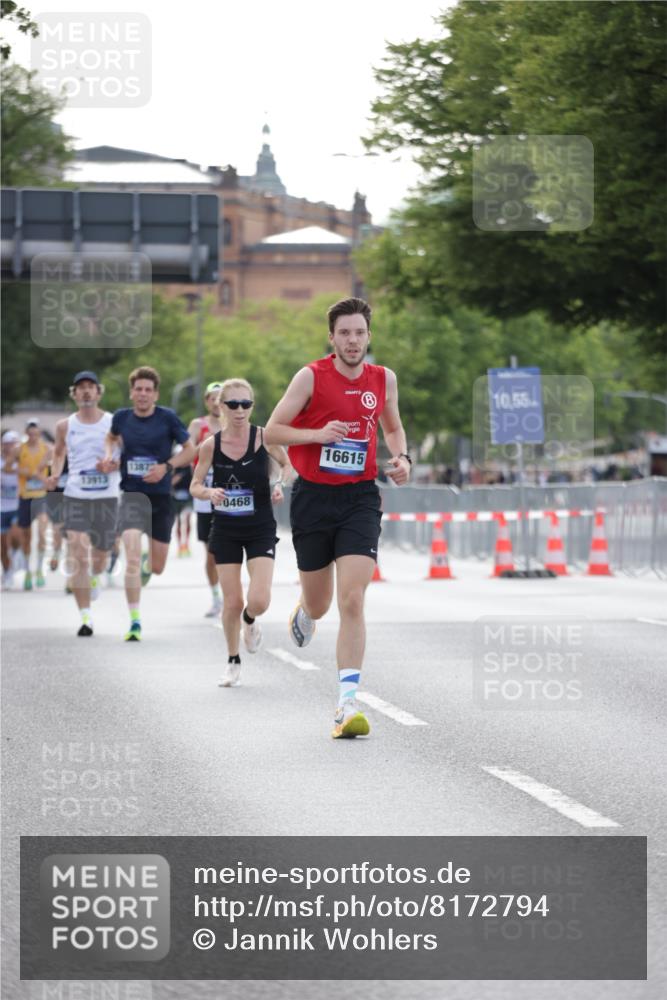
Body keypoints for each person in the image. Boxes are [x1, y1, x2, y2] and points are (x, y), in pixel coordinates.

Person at [265, 297, 411, 739]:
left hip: (359, 498)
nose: (352, 340)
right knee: (321, 604)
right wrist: (317, 434)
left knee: (352, 599)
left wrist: (402, 458)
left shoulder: (383, 379)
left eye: (359, 333)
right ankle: (306, 609)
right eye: (344, 333)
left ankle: (346, 705)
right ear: (332, 337)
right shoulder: (311, 376)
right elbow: (272, 432)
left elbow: (392, 428)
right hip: (313, 497)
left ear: (369, 336)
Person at [191, 378, 290, 687]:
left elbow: (288, 466)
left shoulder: (264, 437)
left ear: (252, 406)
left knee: (259, 600)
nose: (239, 410)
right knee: (232, 601)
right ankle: (233, 661)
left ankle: (250, 620)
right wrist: (209, 493)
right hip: (226, 529)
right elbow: (194, 485)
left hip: (260, 527)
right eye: (232, 404)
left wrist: (278, 484)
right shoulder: (211, 445)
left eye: (245, 404)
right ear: (221, 406)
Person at [100, 366, 195, 641]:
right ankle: (135, 621)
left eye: (148, 390)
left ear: (155, 394)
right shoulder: (121, 417)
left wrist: (166, 467)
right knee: (130, 555)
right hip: (132, 495)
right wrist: (109, 454)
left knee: (157, 567)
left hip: (161, 498)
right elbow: (111, 437)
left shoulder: (167, 418)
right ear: (132, 393)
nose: (143, 394)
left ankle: (147, 562)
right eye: (138, 389)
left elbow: (191, 450)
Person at [46, 371, 121, 636]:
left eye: (91, 387)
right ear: (74, 394)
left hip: (106, 497)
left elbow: (124, 455)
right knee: (78, 554)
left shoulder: (113, 422)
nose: (86, 391)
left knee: (100, 558)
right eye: (81, 387)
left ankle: (96, 577)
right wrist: (54, 474)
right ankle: (86, 618)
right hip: (75, 495)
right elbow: (58, 453)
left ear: (98, 392)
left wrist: (113, 464)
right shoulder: (64, 425)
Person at [188, 383, 224, 617]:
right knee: (211, 553)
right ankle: (216, 597)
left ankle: (232, 595)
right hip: (204, 496)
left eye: (221, 398)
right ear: (206, 401)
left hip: (230, 494)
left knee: (230, 550)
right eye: (213, 398)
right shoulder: (197, 425)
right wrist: (205, 446)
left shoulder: (235, 424)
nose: (217, 402)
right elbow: (186, 453)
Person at [17, 419, 52, 591]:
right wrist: (21, 470)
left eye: (36, 434)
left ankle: (39, 569)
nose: (33, 437)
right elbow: (8, 465)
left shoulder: (46, 449)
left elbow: (57, 459)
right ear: (26, 433)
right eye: (30, 434)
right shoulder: (19, 449)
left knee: (42, 531)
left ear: (39, 434)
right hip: (25, 496)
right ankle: (27, 572)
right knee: (26, 537)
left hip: (41, 495)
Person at [1, 430, 21, 589]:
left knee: (15, 536)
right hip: (2, 508)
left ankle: (15, 556)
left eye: (13, 444)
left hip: (17, 506)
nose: (11, 447)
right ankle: (7, 572)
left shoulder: (22, 462)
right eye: (8, 444)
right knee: (2, 546)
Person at [171, 460, 193, 557]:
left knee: (187, 519)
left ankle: (186, 544)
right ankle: (180, 545)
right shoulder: (174, 467)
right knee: (179, 522)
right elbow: (169, 483)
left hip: (188, 497)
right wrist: (176, 478)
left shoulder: (190, 467)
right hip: (176, 498)